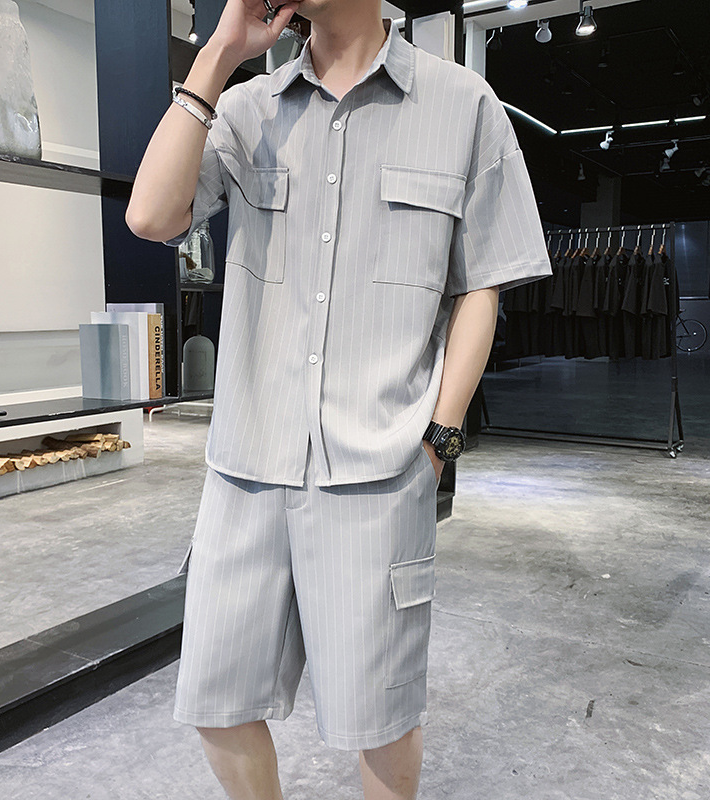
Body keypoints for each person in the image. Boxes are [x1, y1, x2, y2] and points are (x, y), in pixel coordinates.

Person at [126, 1, 551, 797]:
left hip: (378, 473)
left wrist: (440, 439)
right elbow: (150, 216)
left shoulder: (462, 105)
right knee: (217, 703)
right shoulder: (245, 108)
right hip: (246, 466)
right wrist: (218, 54)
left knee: (379, 719)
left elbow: (481, 284)